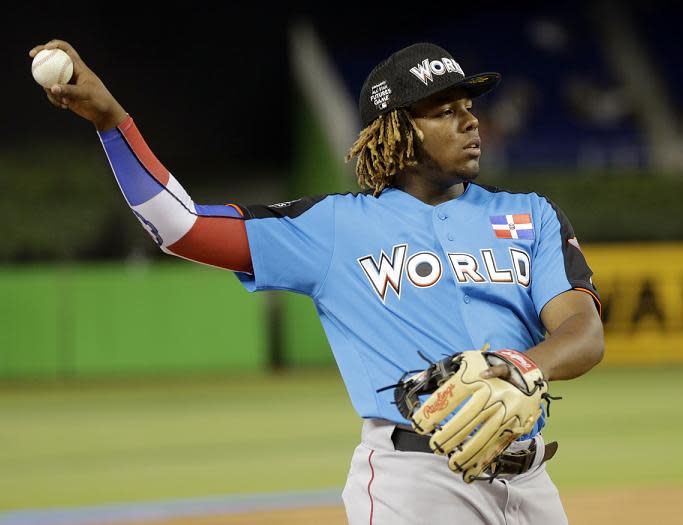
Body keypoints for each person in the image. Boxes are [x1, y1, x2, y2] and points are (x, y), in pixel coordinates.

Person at [30, 39, 604, 525]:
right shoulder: (331, 227)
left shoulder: (530, 215)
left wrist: (527, 365)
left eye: (469, 104)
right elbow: (180, 226)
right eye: (443, 109)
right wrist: (112, 121)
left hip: (531, 484)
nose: (470, 119)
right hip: (419, 483)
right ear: (396, 133)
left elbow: (583, 331)